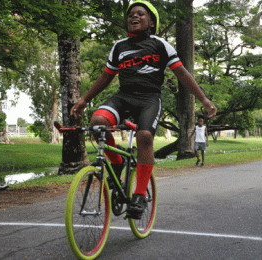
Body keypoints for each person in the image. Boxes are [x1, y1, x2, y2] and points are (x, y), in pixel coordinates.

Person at [70, 0, 217, 219]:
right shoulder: (119, 46)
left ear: (151, 22)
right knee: (97, 122)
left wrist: (204, 100)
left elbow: (183, 74)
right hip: (124, 96)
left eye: (140, 14)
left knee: (145, 136)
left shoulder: (160, 44)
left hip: (149, 99)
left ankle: (139, 195)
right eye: (131, 15)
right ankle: (118, 164)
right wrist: (83, 100)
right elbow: (106, 76)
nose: (134, 17)